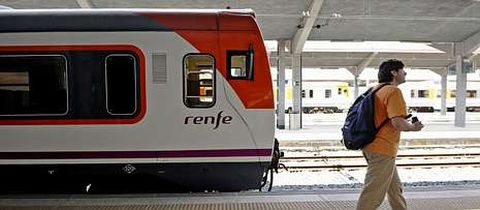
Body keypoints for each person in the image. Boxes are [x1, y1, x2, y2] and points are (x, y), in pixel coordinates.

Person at [357, 59, 424, 210]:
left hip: (370, 145)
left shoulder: (375, 89)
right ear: (394, 72)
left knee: (395, 189)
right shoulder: (393, 91)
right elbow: (398, 123)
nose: (405, 73)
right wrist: (413, 127)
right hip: (382, 148)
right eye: (402, 70)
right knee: (372, 194)